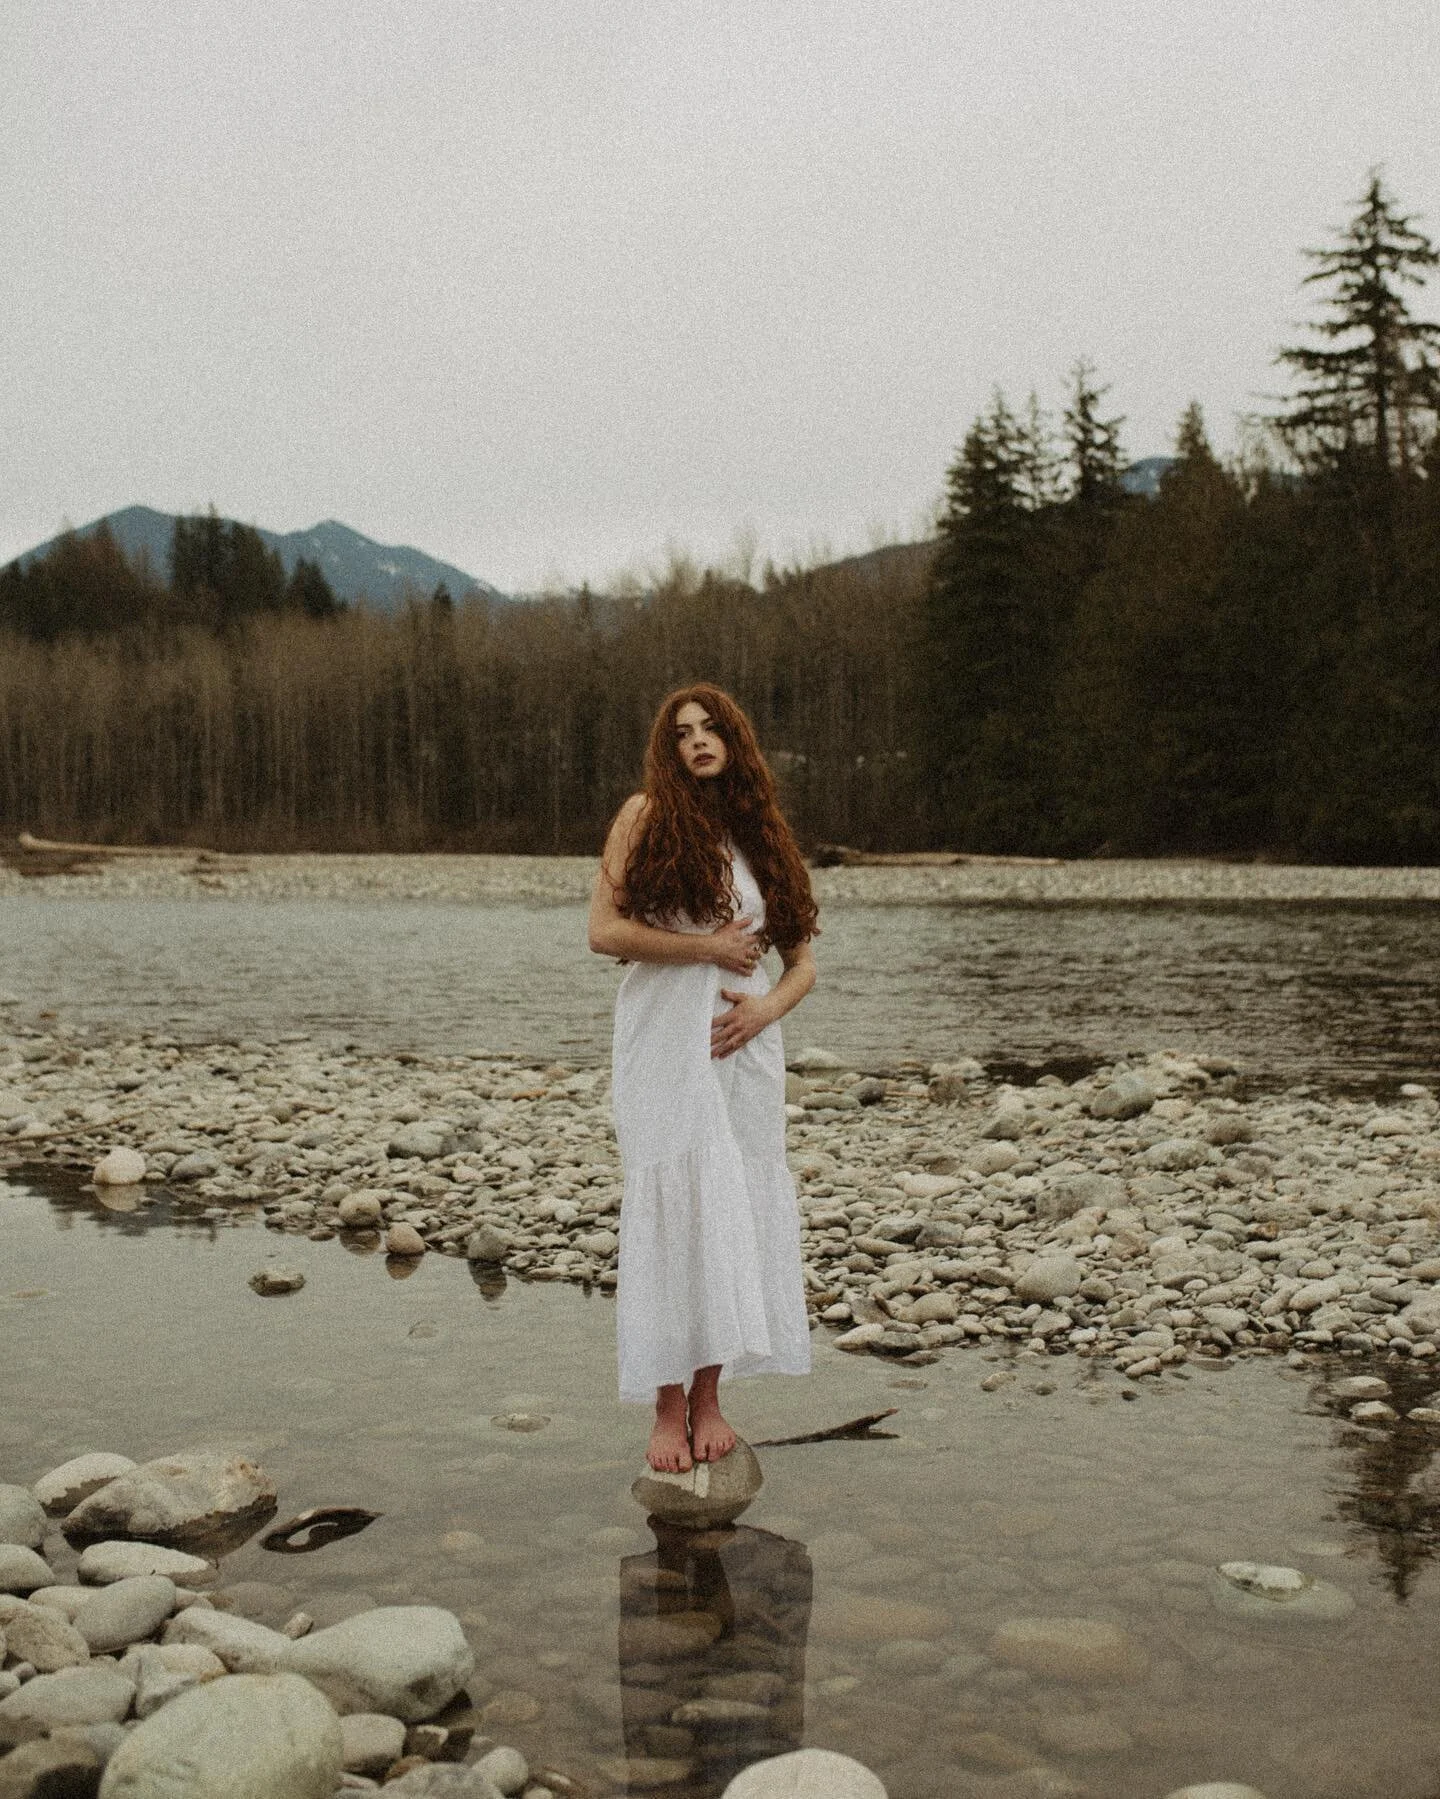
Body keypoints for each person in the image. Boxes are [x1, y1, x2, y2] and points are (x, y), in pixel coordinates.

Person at [588, 683, 819, 1473]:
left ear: (734, 739)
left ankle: (711, 1394)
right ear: (669, 749)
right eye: (682, 732)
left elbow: (804, 964)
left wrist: (764, 1013)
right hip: (661, 1040)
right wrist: (707, 950)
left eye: (711, 727)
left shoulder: (763, 836)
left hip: (742, 1047)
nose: (697, 740)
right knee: (670, 1202)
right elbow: (603, 931)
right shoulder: (642, 816)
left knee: (734, 1204)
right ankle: (666, 1403)